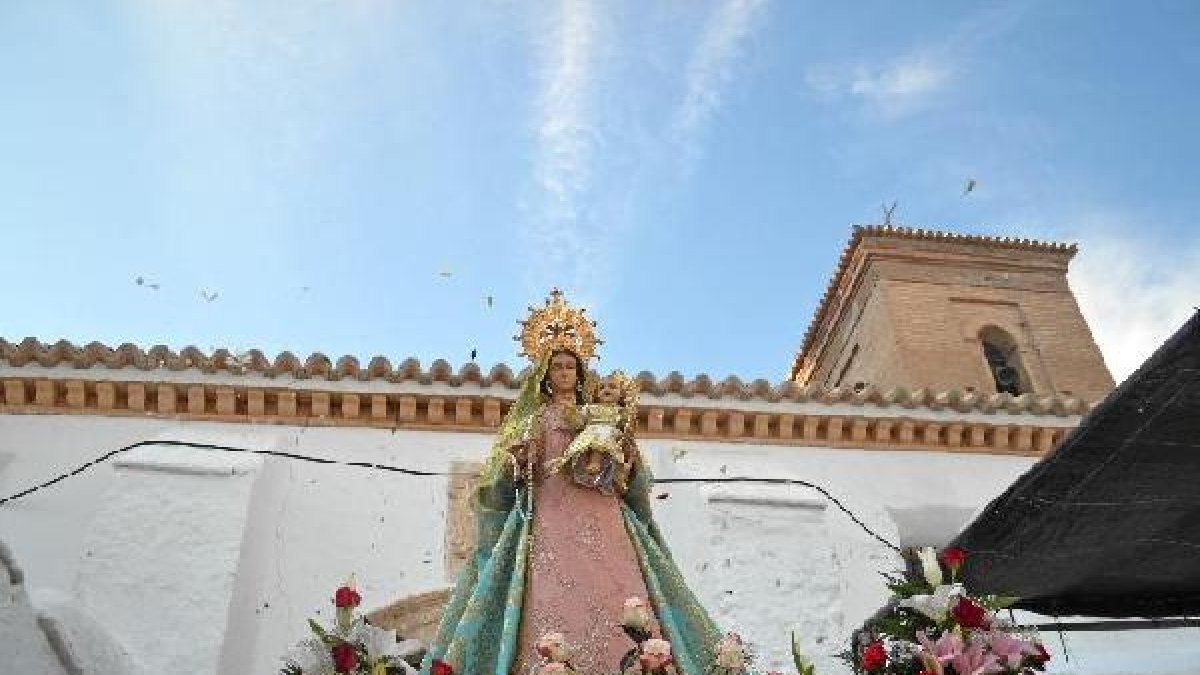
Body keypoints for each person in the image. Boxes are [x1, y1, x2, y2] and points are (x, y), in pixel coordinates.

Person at [422, 290, 720, 675]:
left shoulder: (600, 415)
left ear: (581, 373)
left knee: (619, 587)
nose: (565, 372)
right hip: (551, 515)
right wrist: (521, 462)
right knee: (549, 592)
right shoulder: (536, 419)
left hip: (602, 513)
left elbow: (632, 477)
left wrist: (623, 453)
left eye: (570, 366)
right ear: (545, 375)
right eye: (557, 366)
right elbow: (509, 477)